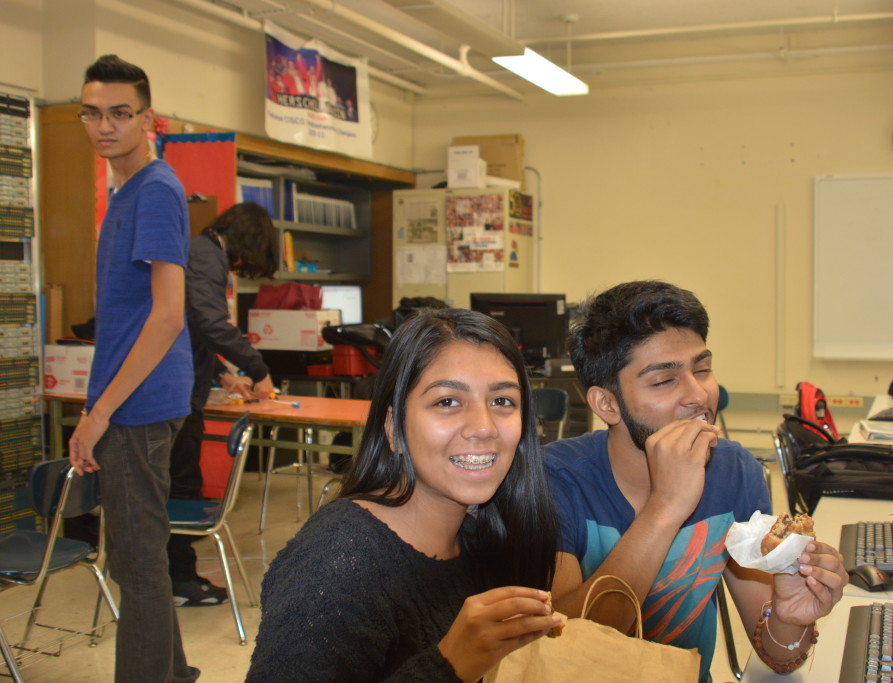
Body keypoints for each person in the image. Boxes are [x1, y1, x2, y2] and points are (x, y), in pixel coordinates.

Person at [544, 281, 849, 682]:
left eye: (702, 370)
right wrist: (666, 506)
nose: (698, 395)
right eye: (664, 380)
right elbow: (565, 649)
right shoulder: (553, 480)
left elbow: (776, 655)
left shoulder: (734, 471)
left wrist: (791, 618)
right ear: (608, 404)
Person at [246, 308, 562, 682]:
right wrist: (450, 664)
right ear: (394, 427)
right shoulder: (336, 560)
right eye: (447, 401)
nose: (483, 427)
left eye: (502, 401)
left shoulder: (484, 536)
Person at [69, 55, 198, 682]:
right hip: (136, 400)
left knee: (139, 569)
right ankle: (174, 673)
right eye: (92, 113)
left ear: (147, 118)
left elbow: (168, 315)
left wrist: (99, 414)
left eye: (120, 113)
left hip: (137, 407)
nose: (105, 126)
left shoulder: (154, 190)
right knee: (139, 559)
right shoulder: (126, 190)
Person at [168, 201, 278, 606]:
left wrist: (223, 375)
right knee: (182, 485)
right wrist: (258, 369)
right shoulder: (206, 256)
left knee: (181, 481)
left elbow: (192, 327)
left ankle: (176, 574)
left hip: (188, 382)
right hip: (176, 393)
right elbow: (210, 322)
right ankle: (179, 579)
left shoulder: (202, 252)